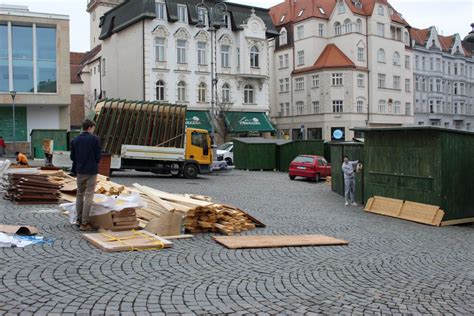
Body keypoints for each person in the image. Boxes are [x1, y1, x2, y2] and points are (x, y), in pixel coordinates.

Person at [70, 119, 102, 231]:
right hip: (91, 171)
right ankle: (84, 223)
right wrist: (95, 161)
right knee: (89, 195)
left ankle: (78, 220)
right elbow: (98, 155)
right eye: (93, 128)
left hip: (80, 171)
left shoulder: (75, 140)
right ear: (90, 127)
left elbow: (72, 157)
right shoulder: (95, 139)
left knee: (79, 194)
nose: (93, 130)